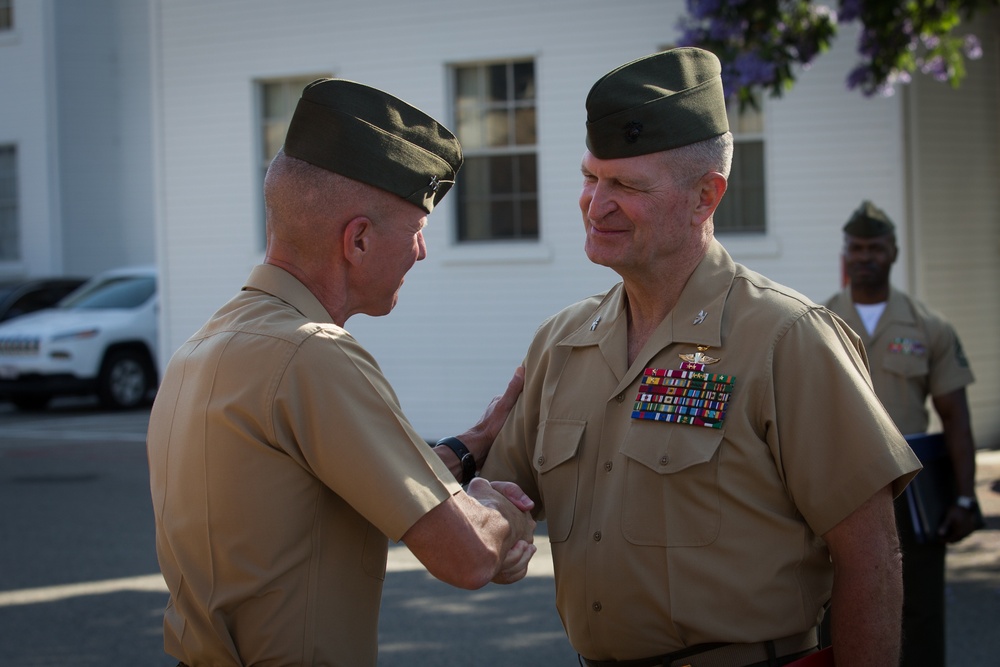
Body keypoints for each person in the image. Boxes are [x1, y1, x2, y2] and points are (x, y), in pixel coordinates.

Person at [481, 48, 922, 667]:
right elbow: (505, 488)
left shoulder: (787, 338)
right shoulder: (562, 342)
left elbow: (871, 556)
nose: (595, 203)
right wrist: (494, 527)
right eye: (590, 177)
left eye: (627, 186)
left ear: (704, 197)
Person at [146, 78, 536, 667]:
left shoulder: (205, 345)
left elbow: (317, 493)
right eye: (418, 232)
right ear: (357, 240)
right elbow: (469, 557)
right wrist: (497, 513)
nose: (422, 253)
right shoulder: (314, 354)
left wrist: (474, 445)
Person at [825, 201, 979, 667]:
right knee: (836, 610)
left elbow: (956, 418)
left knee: (919, 611)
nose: (865, 256)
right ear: (846, 254)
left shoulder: (930, 328)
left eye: (876, 247)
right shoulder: (816, 322)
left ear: (893, 253)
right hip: (839, 491)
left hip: (913, 495)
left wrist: (966, 499)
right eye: (857, 247)